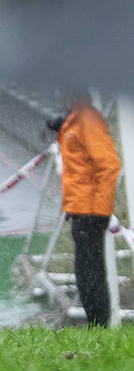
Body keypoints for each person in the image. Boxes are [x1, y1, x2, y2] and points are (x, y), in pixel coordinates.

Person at [57, 91, 122, 327]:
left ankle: (99, 325)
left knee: (90, 272)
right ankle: (96, 325)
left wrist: (100, 212)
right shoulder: (77, 117)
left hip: (90, 212)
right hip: (81, 209)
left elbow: (109, 165)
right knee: (86, 272)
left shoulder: (87, 118)